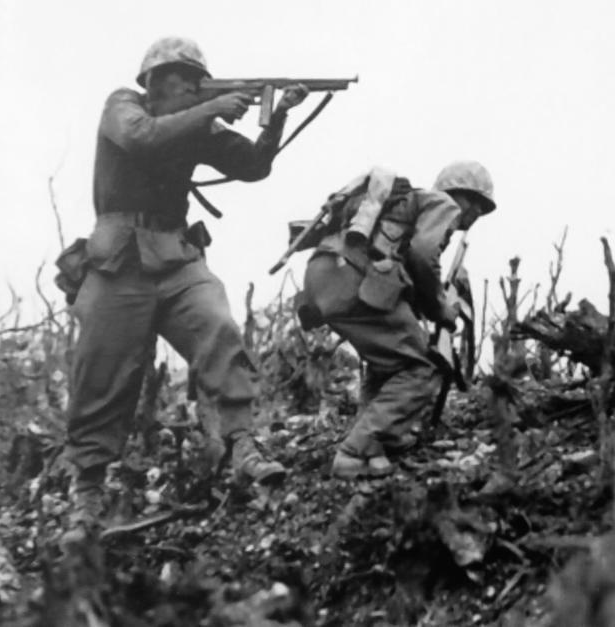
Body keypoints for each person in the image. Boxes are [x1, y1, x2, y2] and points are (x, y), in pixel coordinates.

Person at [60, 36, 308, 541]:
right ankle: (86, 494)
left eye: (196, 77)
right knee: (101, 369)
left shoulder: (197, 125)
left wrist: (277, 114)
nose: (191, 85)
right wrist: (213, 106)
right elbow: (142, 138)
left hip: (175, 257)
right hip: (118, 261)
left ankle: (241, 445)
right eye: (181, 77)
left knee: (217, 326)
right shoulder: (124, 106)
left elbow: (253, 166)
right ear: (153, 80)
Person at [297, 162, 496, 478]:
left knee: (389, 363)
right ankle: (355, 450)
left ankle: (375, 447)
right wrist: (440, 307)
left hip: (323, 276)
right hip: (353, 279)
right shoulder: (443, 204)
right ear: (464, 196)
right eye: (478, 206)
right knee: (420, 367)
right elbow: (422, 254)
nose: (474, 217)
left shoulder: (402, 211)